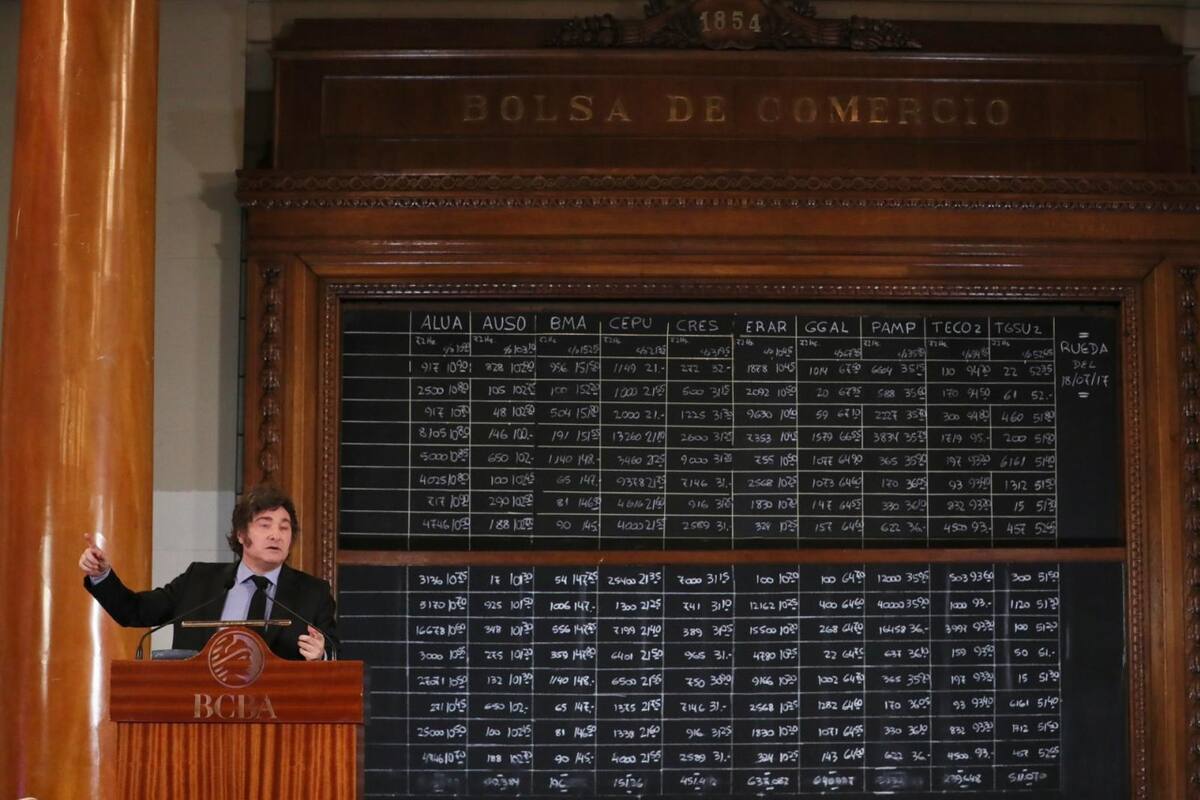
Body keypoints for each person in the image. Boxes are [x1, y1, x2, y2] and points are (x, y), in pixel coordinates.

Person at [80, 484, 335, 661]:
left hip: (278, 726)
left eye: (284, 528)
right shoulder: (199, 581)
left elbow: (335, 654)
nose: (275, 535)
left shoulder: (313, 593)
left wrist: (322, 655)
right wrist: (102, 575)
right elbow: (134, 611)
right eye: (264, 525)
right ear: (241, 534)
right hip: (200, 719)